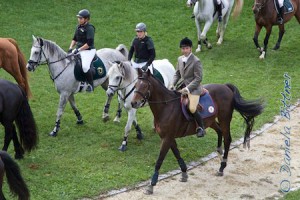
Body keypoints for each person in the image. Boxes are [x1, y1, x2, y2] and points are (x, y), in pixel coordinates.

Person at [170, 37, 205, 137]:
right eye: (183, 48)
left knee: (192, 108)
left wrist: (188, 89)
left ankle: (201, 127)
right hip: (182, 85)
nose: (184, 50)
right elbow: (177, 74)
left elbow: (198, 78)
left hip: (194, 88)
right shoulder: (180, 59)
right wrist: (172, 84)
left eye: (186, 48)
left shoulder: (196, 61)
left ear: (190, 49)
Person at [68, 9, 95, 92]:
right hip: (79, 50)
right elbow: (74, 39)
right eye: (78, 18)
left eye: (81, 18)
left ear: (86, 19)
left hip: (88, 50)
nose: (79, 19)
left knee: (85, 66)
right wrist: (70, 48)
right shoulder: (78, 27)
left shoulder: (90, 28)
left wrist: (78, 49)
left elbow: (89, 43)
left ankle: (90, 84)